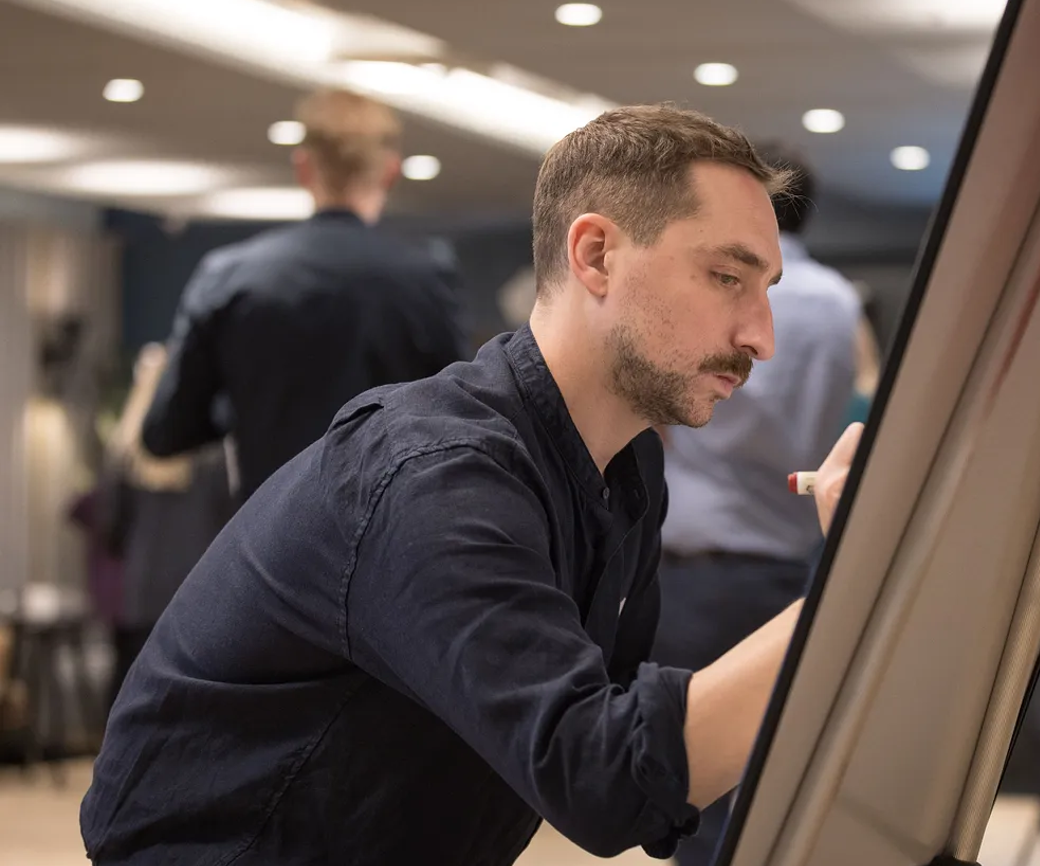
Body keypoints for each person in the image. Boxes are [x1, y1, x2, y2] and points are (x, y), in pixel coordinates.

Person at [81, 104, 863, 866]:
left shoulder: (625, 471)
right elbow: (601, 777)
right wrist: (866, 579)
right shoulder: (438, 481)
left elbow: (626, 733)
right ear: (593, 255)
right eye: (727, 276)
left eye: (764, 291)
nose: (760, 337)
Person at [649, 143, 862, 866]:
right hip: (786, 559)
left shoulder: (716, 290)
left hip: (697, 570)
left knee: (691, 784)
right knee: (773, 777)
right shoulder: (837, 301)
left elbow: (690, 412)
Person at [140, 87, 468, 500]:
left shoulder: (228, 277)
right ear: (389, 170)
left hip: (270, 541)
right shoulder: (426, 276)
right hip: (392, 537)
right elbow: (456, 415)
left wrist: (243, 407)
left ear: (303, 167)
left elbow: (165, 433)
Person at [95, 343, 235, 706]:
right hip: (197, 593)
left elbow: (109, 528)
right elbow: (230, 529)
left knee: (132, 699)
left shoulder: (122, 458)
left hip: (141, 595)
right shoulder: (214, 456)